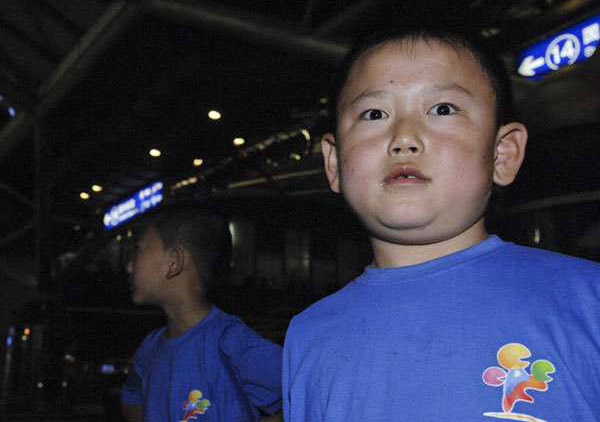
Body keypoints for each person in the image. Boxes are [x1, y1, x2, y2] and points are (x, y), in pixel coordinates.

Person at [282, 29, 600, 421]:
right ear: (333, 163)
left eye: (443, 109)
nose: (404, 138)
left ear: (502, 154)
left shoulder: (589, 301)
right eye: (374, 114)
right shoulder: (307, 335)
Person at [120, 202, 283, 422]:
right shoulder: (149, 349)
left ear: (174, 263)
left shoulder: (232, 344)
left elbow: (305, 392)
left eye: (138, 250)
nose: (129, 266)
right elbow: (132, 396)